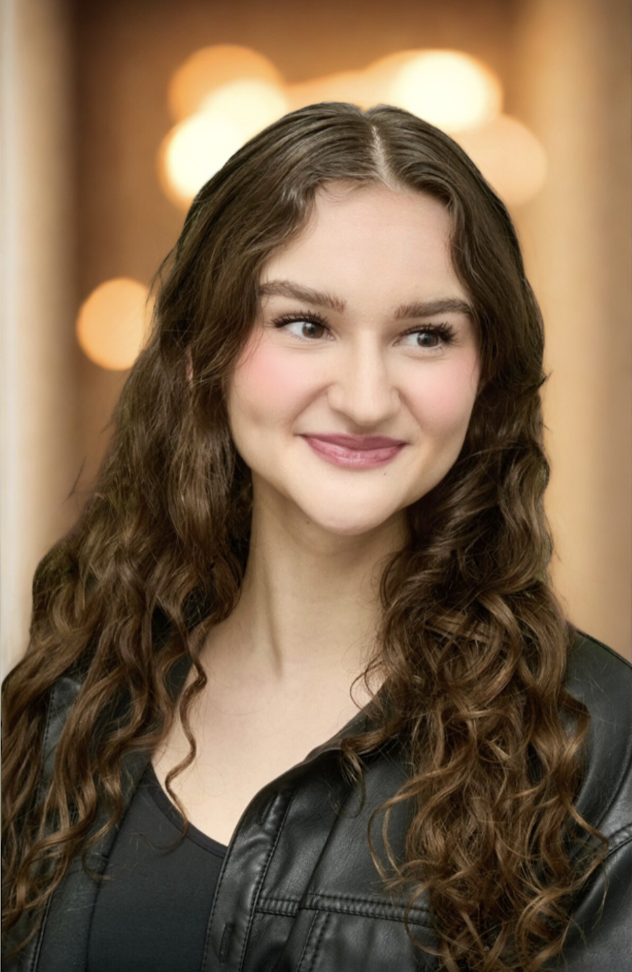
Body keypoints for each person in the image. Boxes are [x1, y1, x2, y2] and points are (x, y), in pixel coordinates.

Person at [2, 102, 630, 972]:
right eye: (306, 323)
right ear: (199, 351)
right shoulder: (74, 697)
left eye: (425, 334)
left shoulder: (595, 745)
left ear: (486, 374)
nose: (367, 396)